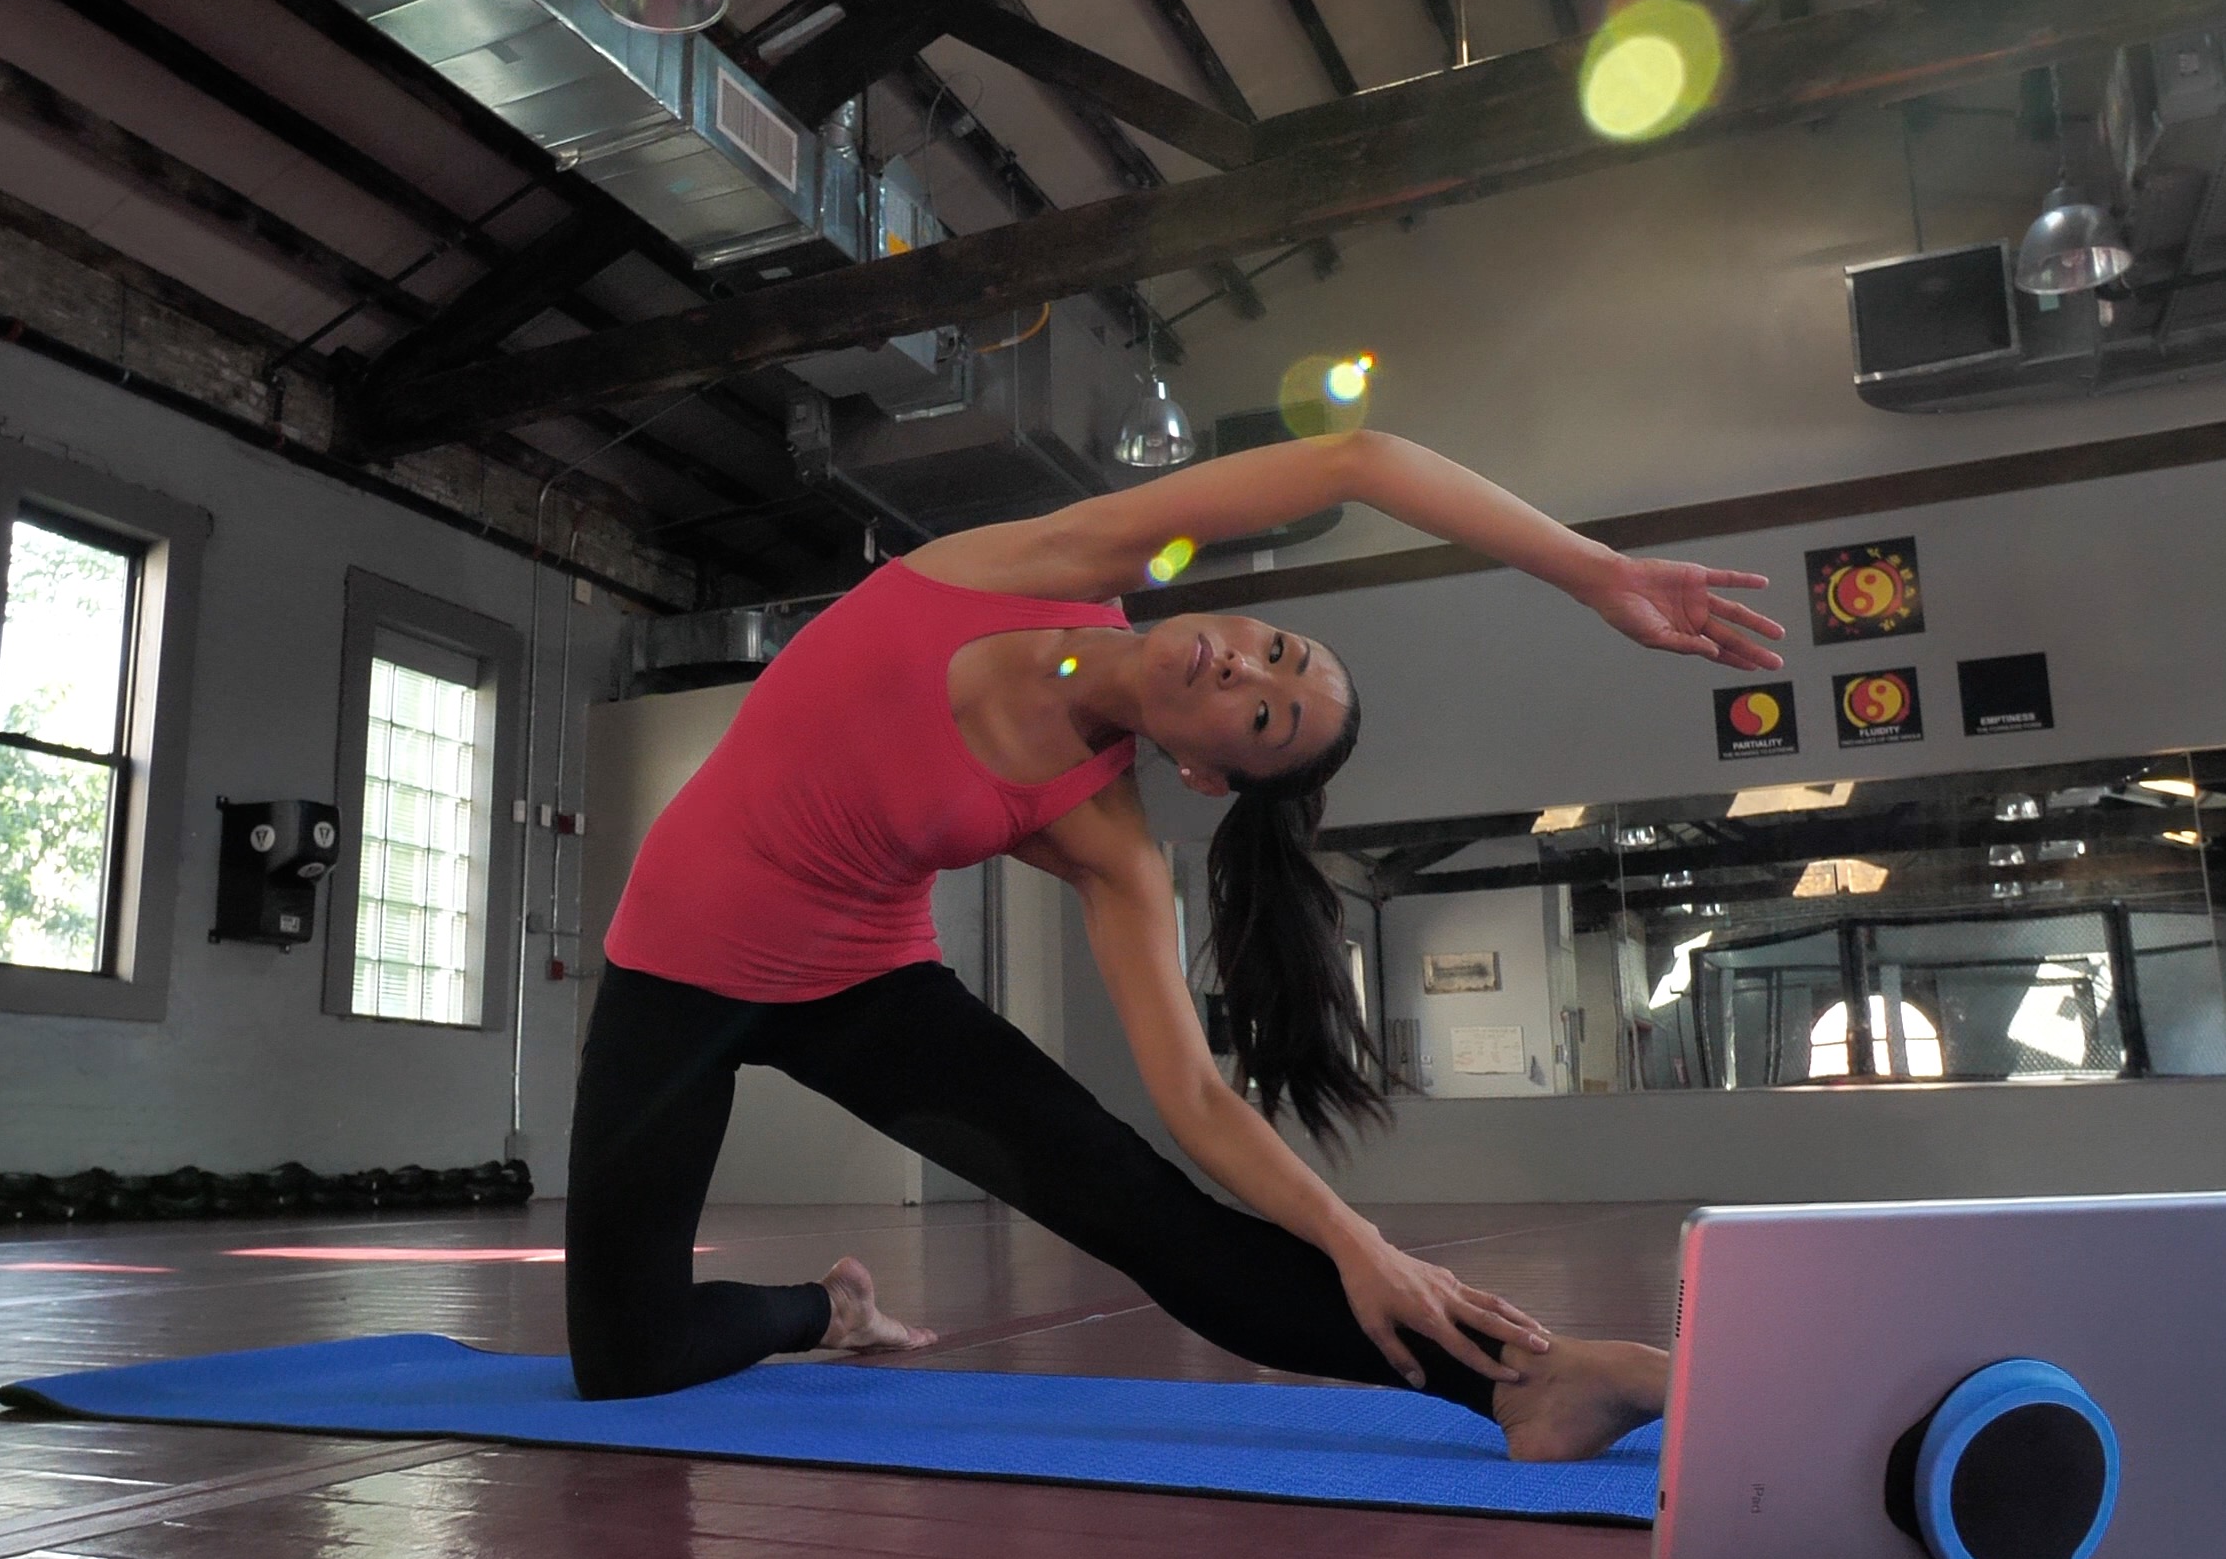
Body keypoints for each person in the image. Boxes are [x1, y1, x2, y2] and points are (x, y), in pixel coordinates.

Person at [567, 426, 1786, 1461]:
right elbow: (1357, 460)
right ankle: (825, 1311)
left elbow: (1196, 1099)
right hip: (671, 972)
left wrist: (1357, 1243)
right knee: (627, 1363)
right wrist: (1591, 572)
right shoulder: (1050, 565)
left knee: (1147, 1216)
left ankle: (1522, 1386)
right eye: (1277, 652)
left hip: (865, 989)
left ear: (1204, 771)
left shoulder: (1104, 837)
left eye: (1262, 715)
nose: (1244, 667)